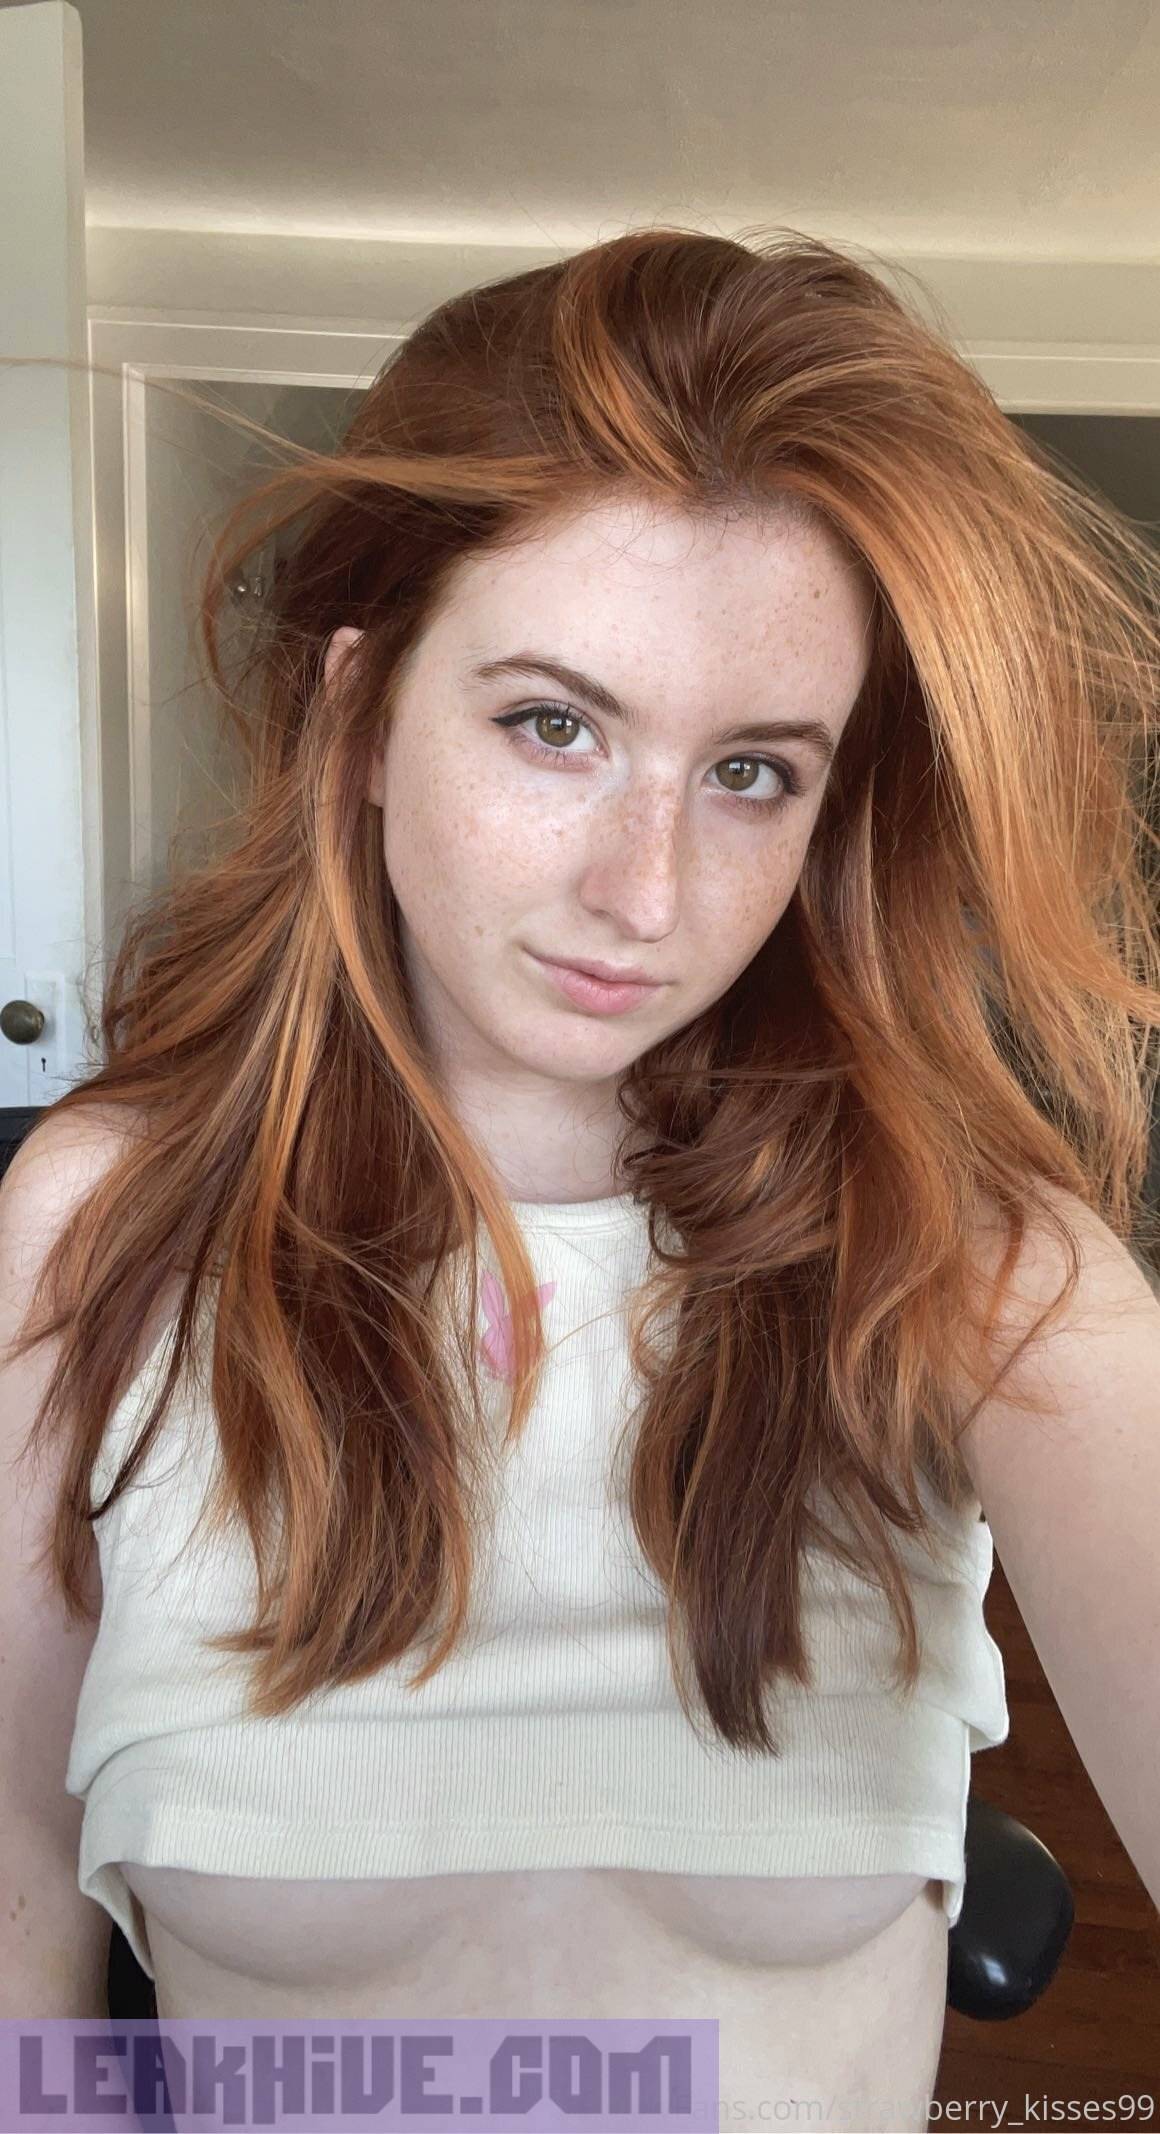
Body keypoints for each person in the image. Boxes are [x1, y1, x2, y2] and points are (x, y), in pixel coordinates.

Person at [2, 225, 1158, 2133]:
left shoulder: (955, 1254)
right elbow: (17, 1892)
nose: (648, 892)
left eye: (752, 771)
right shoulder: (107, 1221)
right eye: (556, 724)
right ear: (362, 717)